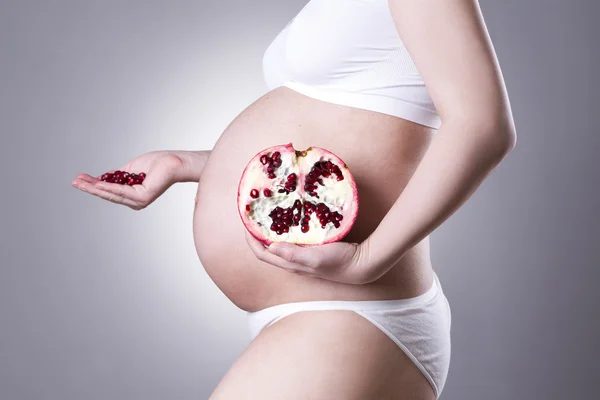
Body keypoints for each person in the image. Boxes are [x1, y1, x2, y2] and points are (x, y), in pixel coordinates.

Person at [72, 0, 516, 398]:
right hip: (328, 322)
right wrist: (183, 163)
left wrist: (367, 259)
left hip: (353, 316)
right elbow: (340, 146)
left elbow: (483, 127)